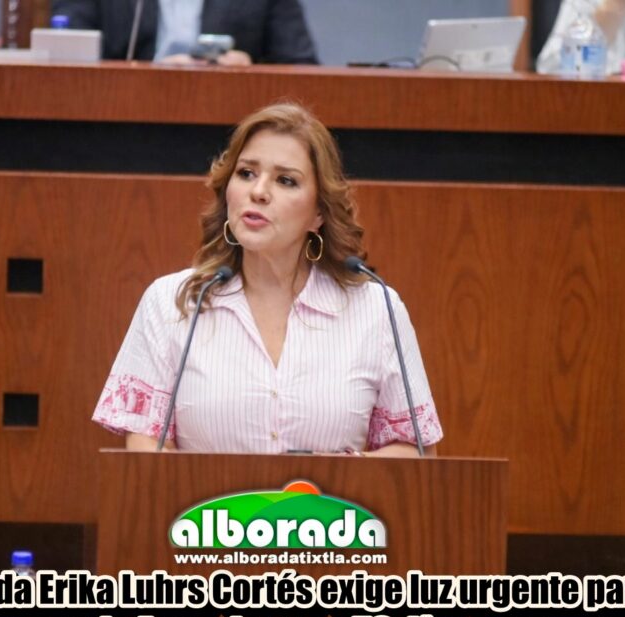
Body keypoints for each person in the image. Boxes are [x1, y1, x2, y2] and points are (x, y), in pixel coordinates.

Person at [92, 103, 442, 456]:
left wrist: (334, 474)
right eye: (246, 173)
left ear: (319, 212)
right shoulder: (173, 302)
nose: (258, 191)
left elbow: (416, 450)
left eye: (285, 180)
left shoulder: (376, 310)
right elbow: (146, 450)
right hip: (204, 498)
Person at [51, 0, 318, 65]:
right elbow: (66, 61)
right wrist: (152, 74)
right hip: (117, 121)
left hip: (232, 124)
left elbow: (301, 68)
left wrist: (249, 72)